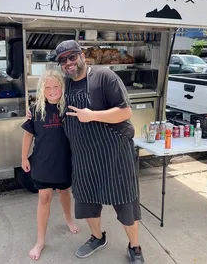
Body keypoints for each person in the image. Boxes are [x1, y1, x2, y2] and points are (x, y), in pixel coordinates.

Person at [27, 40, 145, 264]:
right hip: (83, 158)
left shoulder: (104, 77)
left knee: (125, 205)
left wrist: (93, 115)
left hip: (115, 155)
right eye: (63, 60)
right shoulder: (66, 85)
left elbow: (125, 112)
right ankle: (97, 237)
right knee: (88, 203)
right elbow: (49, 98)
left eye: (72, 57)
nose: (68, 63)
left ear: (82, 56)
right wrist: (33, 110)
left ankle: (135, 247)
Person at [21, 69, 79, 261]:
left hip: (64, 161)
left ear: (62, 87)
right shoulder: (36, 110)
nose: (53, 91)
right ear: (41, 90)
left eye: (56, 87)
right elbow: (28, 135)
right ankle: (40, 241)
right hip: (43, 162)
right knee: (44, 198)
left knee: (64, 192)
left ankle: (68, 218)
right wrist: (23, 158)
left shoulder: (69, 108)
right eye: (48, 88)